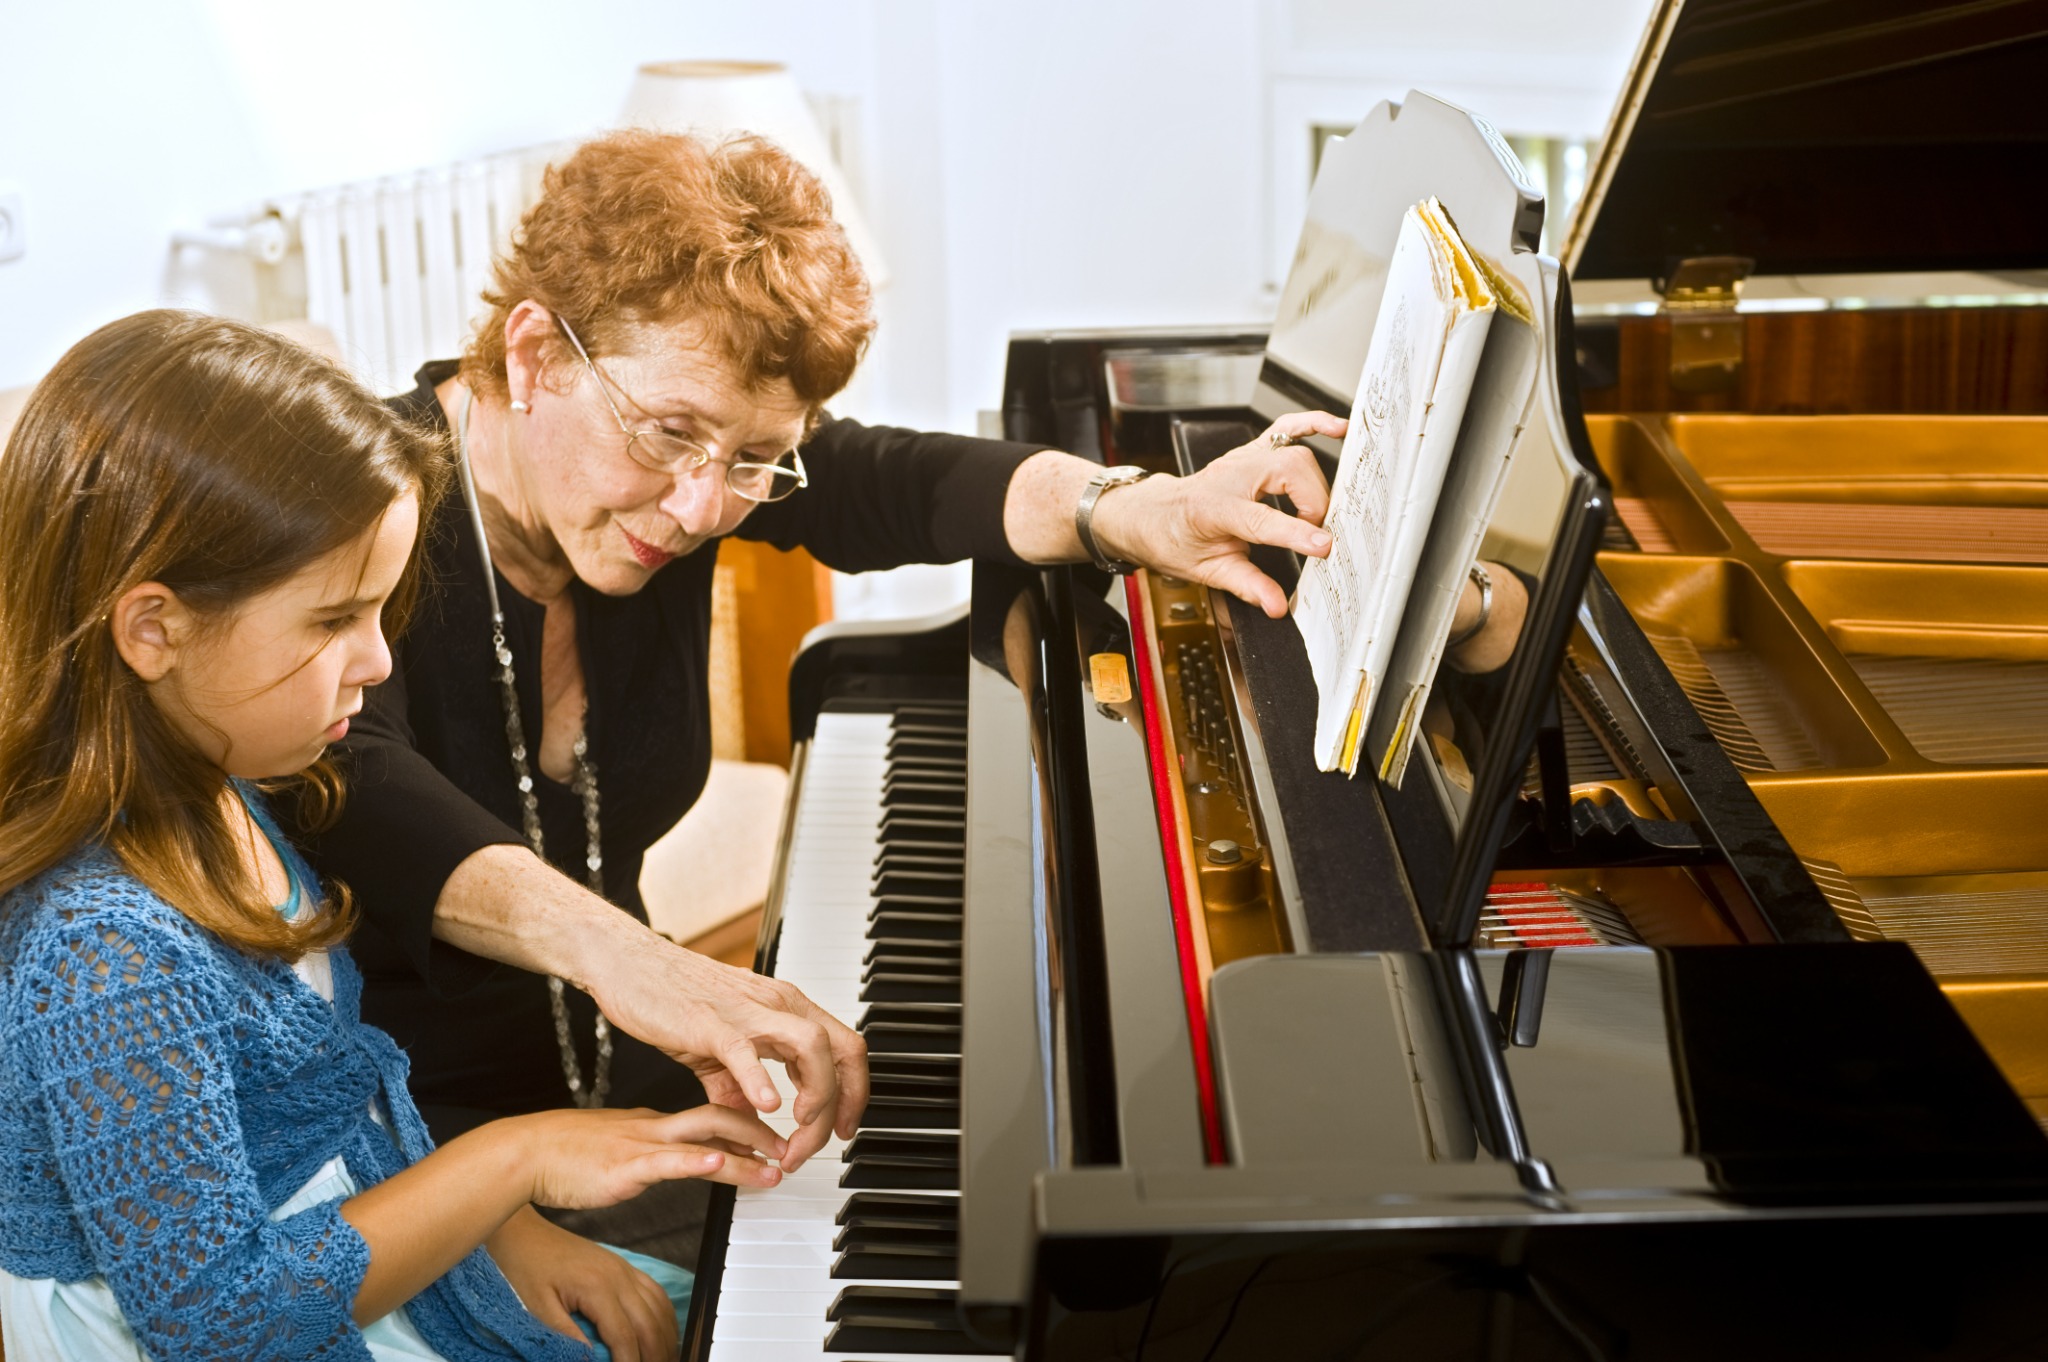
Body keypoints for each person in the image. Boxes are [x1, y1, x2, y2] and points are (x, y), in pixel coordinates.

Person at [280, 126, 1349, 1205]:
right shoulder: (351, 521)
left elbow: (891, 480)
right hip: (399, 1153)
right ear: (534, 358)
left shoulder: (665, 490)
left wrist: (1132, 508)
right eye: (665, 433)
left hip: (618, 1098)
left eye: (751, 458)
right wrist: (645, 968)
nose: (700, 510)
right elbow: (358, 786)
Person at [0, 311, 785, 1361]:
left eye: (383, 614)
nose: (377, 665)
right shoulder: (108, 953)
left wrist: (504, 1230)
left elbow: (330, 1114)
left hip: (353, 1250)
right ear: (155, 631)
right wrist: (516, 1163)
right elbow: (223, 1323)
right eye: (335, 621)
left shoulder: (233, 794)